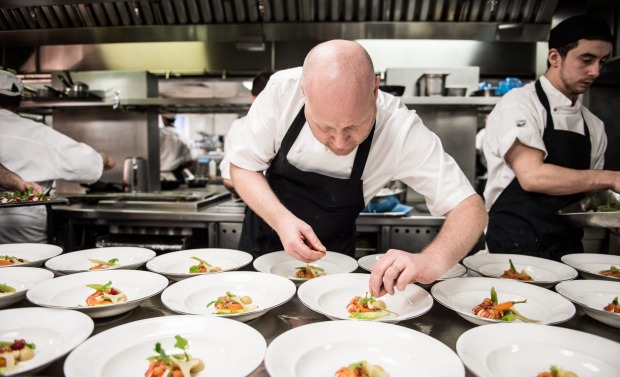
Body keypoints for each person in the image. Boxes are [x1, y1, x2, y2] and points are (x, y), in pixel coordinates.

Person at [227, 40, 488, 297]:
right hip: (263, 247)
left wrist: (433, 259)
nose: (339, 143)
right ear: (304, 92)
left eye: (353, 126)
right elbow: (242, 167)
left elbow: (470, 208)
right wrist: (281, 220)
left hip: (334, 265)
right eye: (325, 127)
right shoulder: (281, 93)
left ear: (374, 89)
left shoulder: (399, 129)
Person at [482, 15, 618, 261]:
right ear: (554, 57)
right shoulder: (520, 104)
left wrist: (608, 218)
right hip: (513, 248)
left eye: (602, 61)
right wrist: (611, 178)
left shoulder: (593, 125)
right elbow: (532, 177)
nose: (595, 71)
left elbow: (586, 197)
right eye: (586, 60)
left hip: (568, 252)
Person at [0, 70, 116, 244]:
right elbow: (85, 164)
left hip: (21, 217)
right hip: (24, 221)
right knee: (27, 264)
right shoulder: (34, 132)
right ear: (18, 100)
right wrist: (102, 159)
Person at [220, 71, 274, 196]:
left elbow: (229, 180)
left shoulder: (241, 126)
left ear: (253, 97)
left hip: (254, 200)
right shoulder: (241, 125)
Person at [159, 113, 194, 182]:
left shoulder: (155, 133)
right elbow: (189, 161)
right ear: (174, 119)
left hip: (153, 177)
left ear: (163, 118)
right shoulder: (183, 136)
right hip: (174, 179)